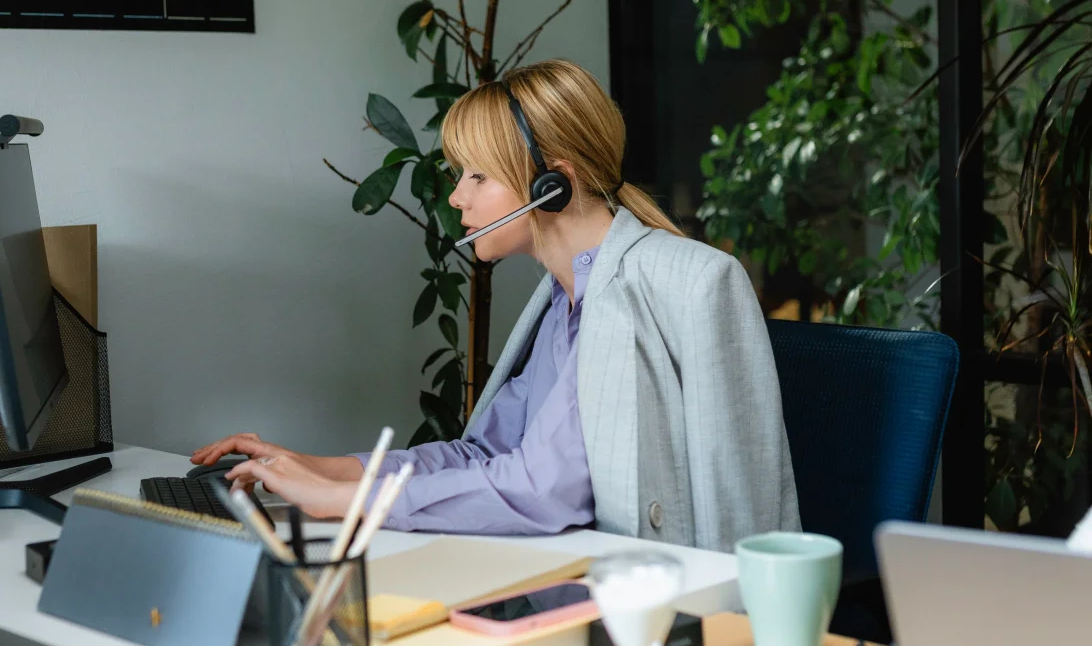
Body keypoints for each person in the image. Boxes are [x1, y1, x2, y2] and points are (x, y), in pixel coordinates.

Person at [191, 59, 801, 552]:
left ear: (551, 184)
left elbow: (546, 489)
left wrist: (351, 503)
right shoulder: (559, 302)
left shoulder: (687, 282)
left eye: (478, 177)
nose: (457, 197)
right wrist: (321, 470)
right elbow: (485, 455)